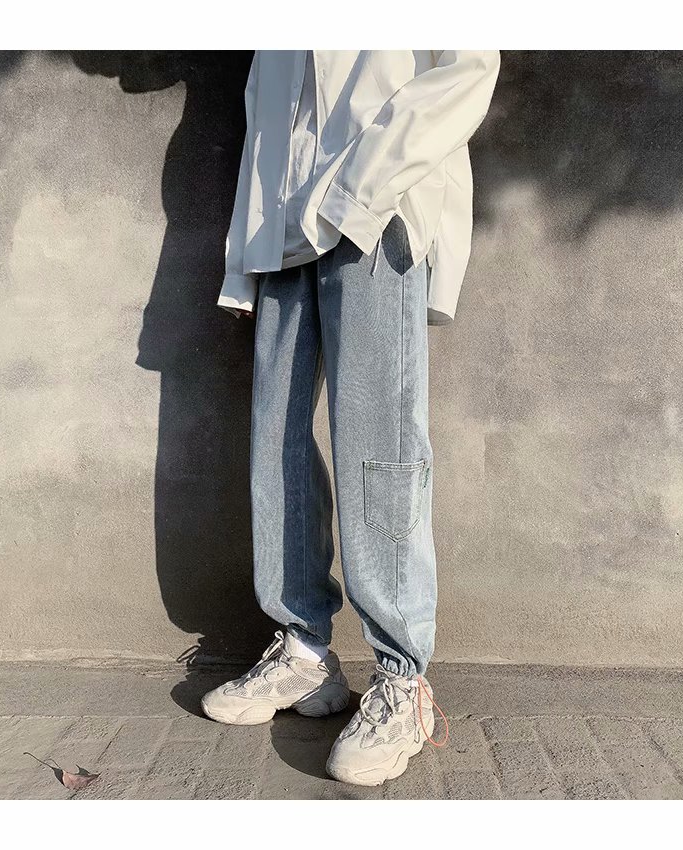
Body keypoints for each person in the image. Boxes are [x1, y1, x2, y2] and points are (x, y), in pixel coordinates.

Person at [201, 50, 500, 787]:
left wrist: (355, 194)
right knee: (275, 441)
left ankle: (402, 679)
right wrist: (246, 255)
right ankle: (304, 650)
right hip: (283, 223)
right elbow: (266, 116)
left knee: (379, 443)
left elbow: (468, 69)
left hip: (377, 210)